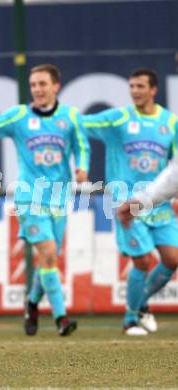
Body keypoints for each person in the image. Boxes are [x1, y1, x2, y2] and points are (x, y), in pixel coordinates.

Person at [0, 64, 90, 337]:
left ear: (56, 86)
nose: (37, 89)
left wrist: (82, 167)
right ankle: (61, 318)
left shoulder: (70, 117)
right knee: (49, 254)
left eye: (42, 84)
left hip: (60, 198)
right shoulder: (19, 116)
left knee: (48, 259)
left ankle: (32, 303)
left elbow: (81, 146)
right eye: (34, 84)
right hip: (29, 197)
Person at [83, 67, 178, 336]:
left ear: (153, 90)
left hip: (158, 204)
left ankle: (141, 304)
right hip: (127, 202)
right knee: (142, 261)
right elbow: (84, 123)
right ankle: (131, 319)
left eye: (140, 86)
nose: (135, 91)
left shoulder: (171, 123)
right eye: (132, 86)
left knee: (172, 260)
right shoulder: (119, 118)